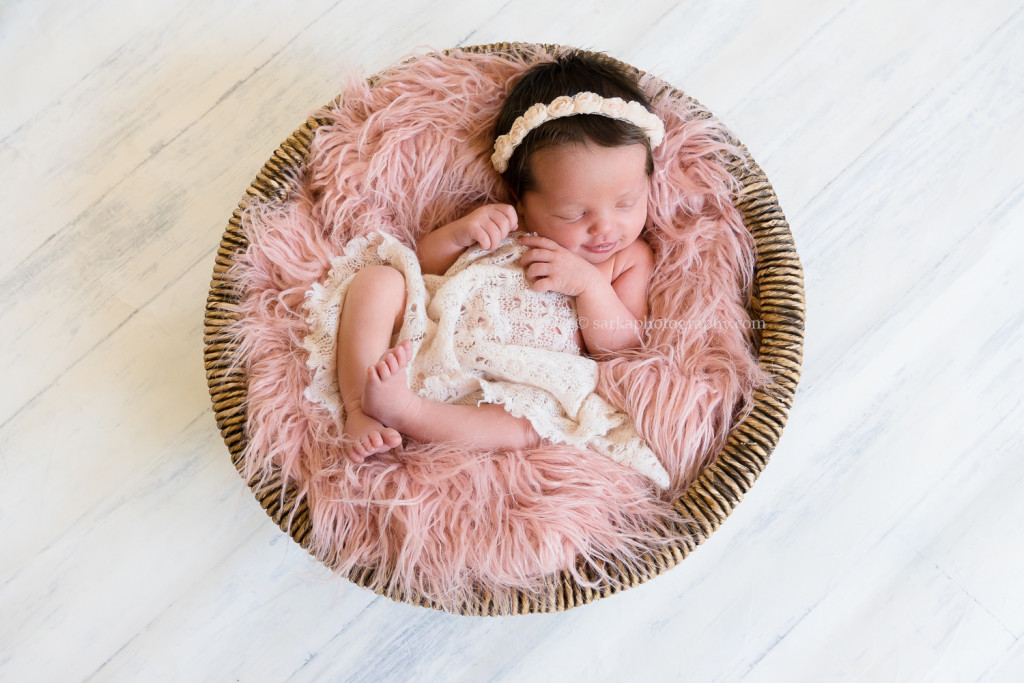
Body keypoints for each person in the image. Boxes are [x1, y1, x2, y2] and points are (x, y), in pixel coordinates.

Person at [325, 51, 666, 468]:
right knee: (378, 280)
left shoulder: (626, 258)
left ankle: (408, 413)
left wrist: (590, 285)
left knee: (527, 427)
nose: (605, 228)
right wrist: (458, 234)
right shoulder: (508, 228)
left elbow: (624, 345)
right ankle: (361, 408)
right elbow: (426, 268)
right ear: (522, 201)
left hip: (521, 378)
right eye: (573, 214)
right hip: (434, 336)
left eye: (627, 203)